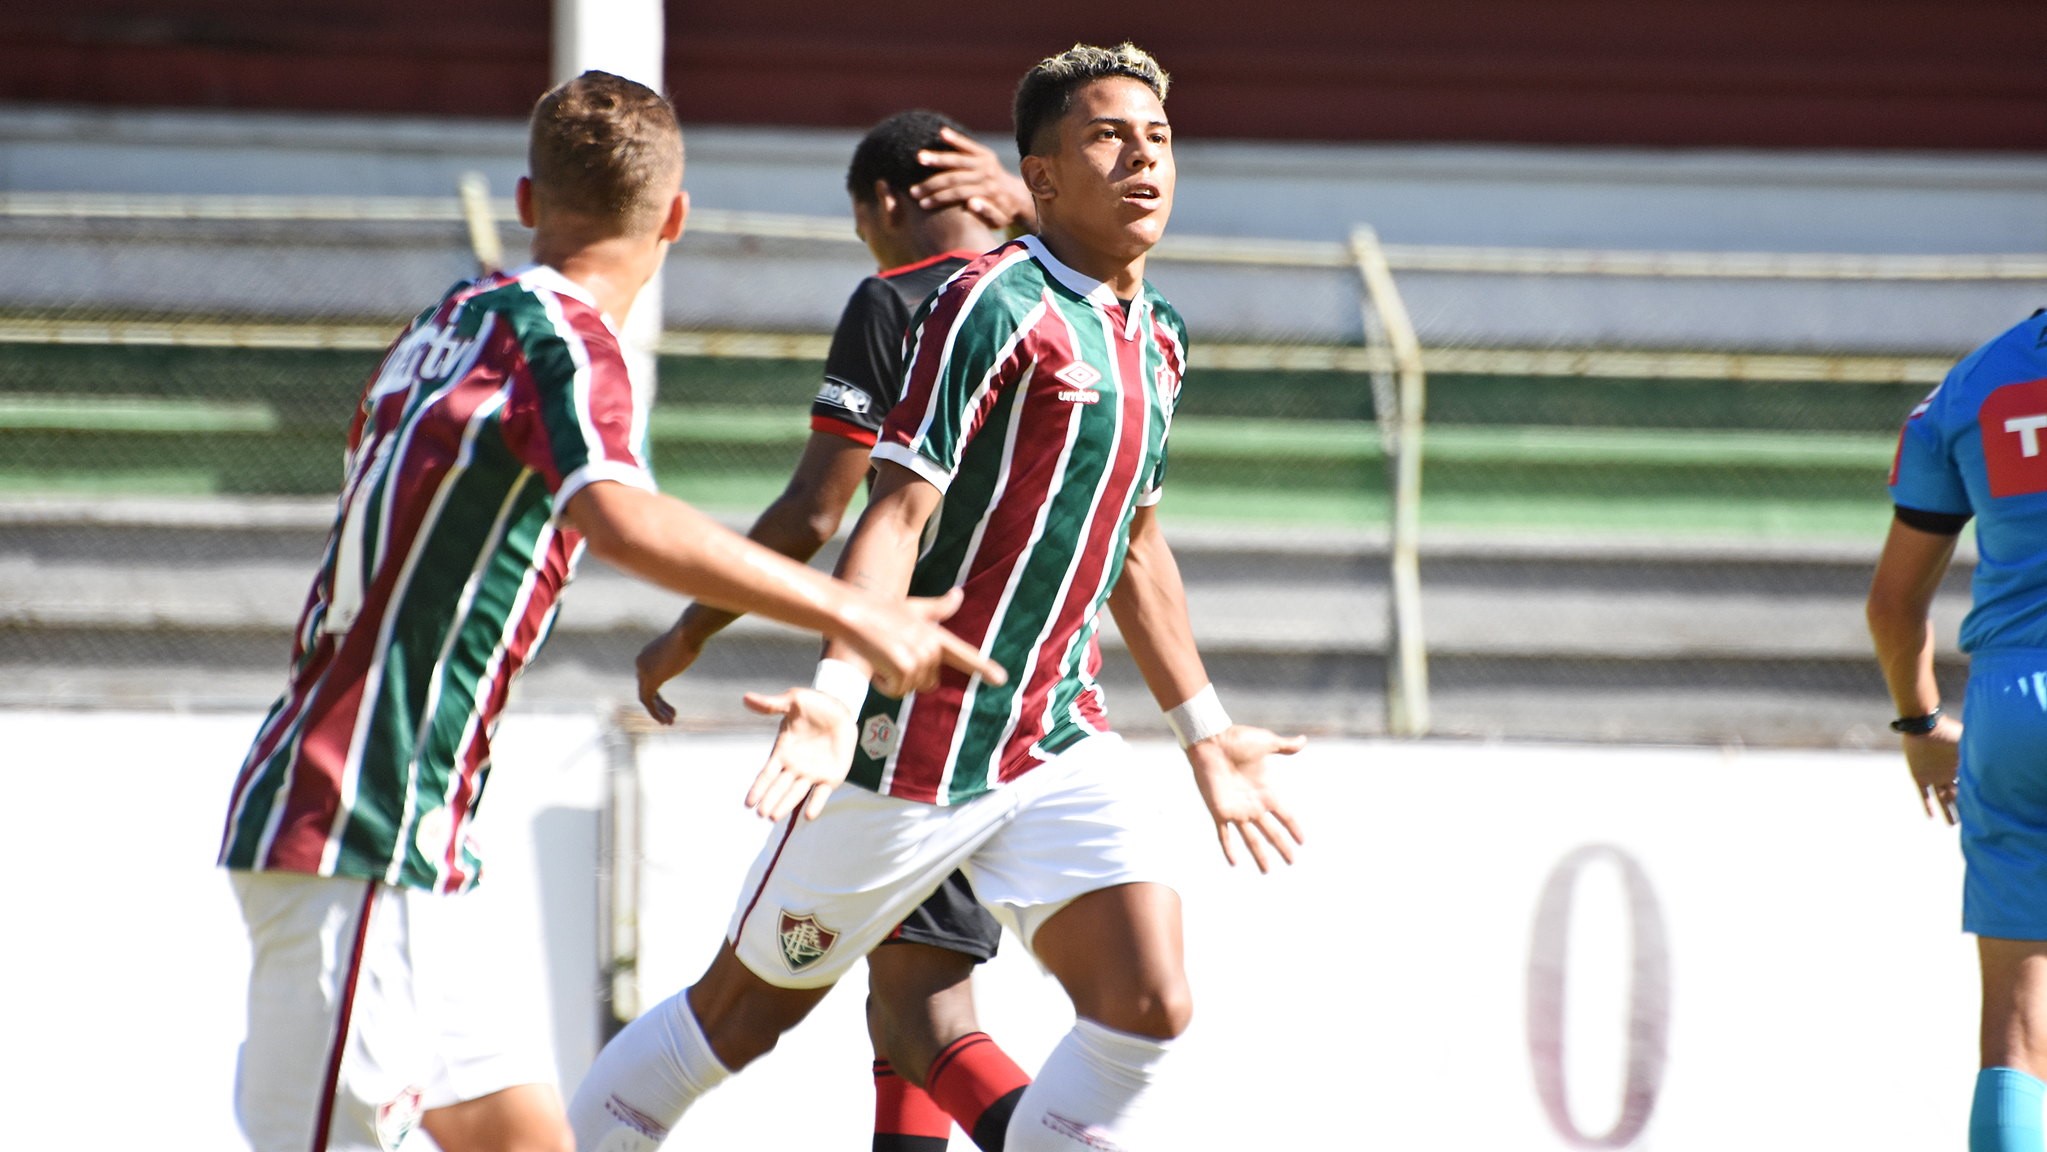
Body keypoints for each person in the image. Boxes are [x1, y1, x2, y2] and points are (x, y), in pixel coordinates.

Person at [215, 71, 1002, 1152]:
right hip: (358, 829)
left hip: (414, 837)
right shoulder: (566, 340)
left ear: (530, 201)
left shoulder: (448, 322)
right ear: (676, 218)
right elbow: (619, 516)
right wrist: (858, 615)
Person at [570, 43, 1305, 1152]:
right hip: (906, 751)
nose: (1141, 157)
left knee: (1149, 1006)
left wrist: (1204, 734)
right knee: (740, 1022)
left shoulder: (1160, 337)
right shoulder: (984, 303)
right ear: (1040, 179)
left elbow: (1137, 546)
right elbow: (890, 513)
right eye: (1107, 135)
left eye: (1157, 138)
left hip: (1054, 735)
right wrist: (833, 694)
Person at [634, 108, 1035, 1152]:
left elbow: (818, 509)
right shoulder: (1057, 310)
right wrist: (1032, 214)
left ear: (886, 204)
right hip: (1021, 690)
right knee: (911, 997)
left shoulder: (897, 303)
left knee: (913, 1011)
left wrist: (691, 629)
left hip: (902, 691)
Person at [1869, 305, 2047, 1152]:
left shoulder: (1976, 383)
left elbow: (1891, 604)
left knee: (2015, 1030)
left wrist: (1918, 722)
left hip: (2012, 709)